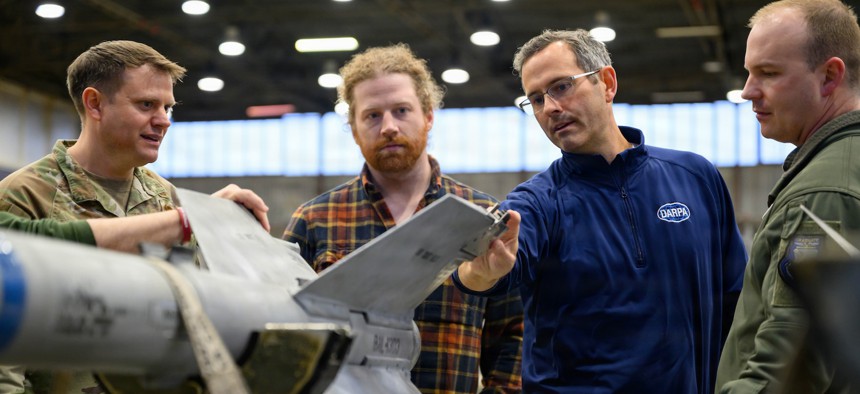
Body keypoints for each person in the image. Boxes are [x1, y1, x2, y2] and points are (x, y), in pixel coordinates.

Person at [453, 29, 748, 393]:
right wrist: (480, 271)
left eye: (561, 86)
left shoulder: (695, 177)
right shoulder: (537, 202)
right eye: (535, 100)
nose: (550, 108)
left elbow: (739, 300)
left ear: (607, 83)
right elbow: (482, 272)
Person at [0, 40, 268, 394]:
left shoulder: (166, 198)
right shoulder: (26, 195)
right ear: (95, 104)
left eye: (167, 107)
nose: (164, 121)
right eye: (146, 105)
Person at [282, 44, 523, 394]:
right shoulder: (314, 220)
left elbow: (514, 333)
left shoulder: (480, 217)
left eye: (402, 110)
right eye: (372, 115)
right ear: (353, 128)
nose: (389, 127)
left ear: (428, 116)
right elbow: (284, 328)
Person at [715, 1, 860, 392]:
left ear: (830, 76)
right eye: (748, 72)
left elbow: (784, 373)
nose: (747, 91)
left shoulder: (821, 195)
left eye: (768, 73)